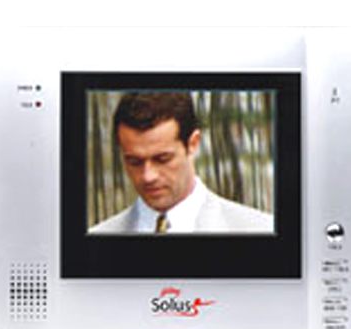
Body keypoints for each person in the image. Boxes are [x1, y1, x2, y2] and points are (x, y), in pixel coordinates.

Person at [89, 92, 273, 234]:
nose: (148, 176)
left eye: (162, 159)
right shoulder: (93, 240)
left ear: (193, 144)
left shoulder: (261, 230)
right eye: (134, 162)